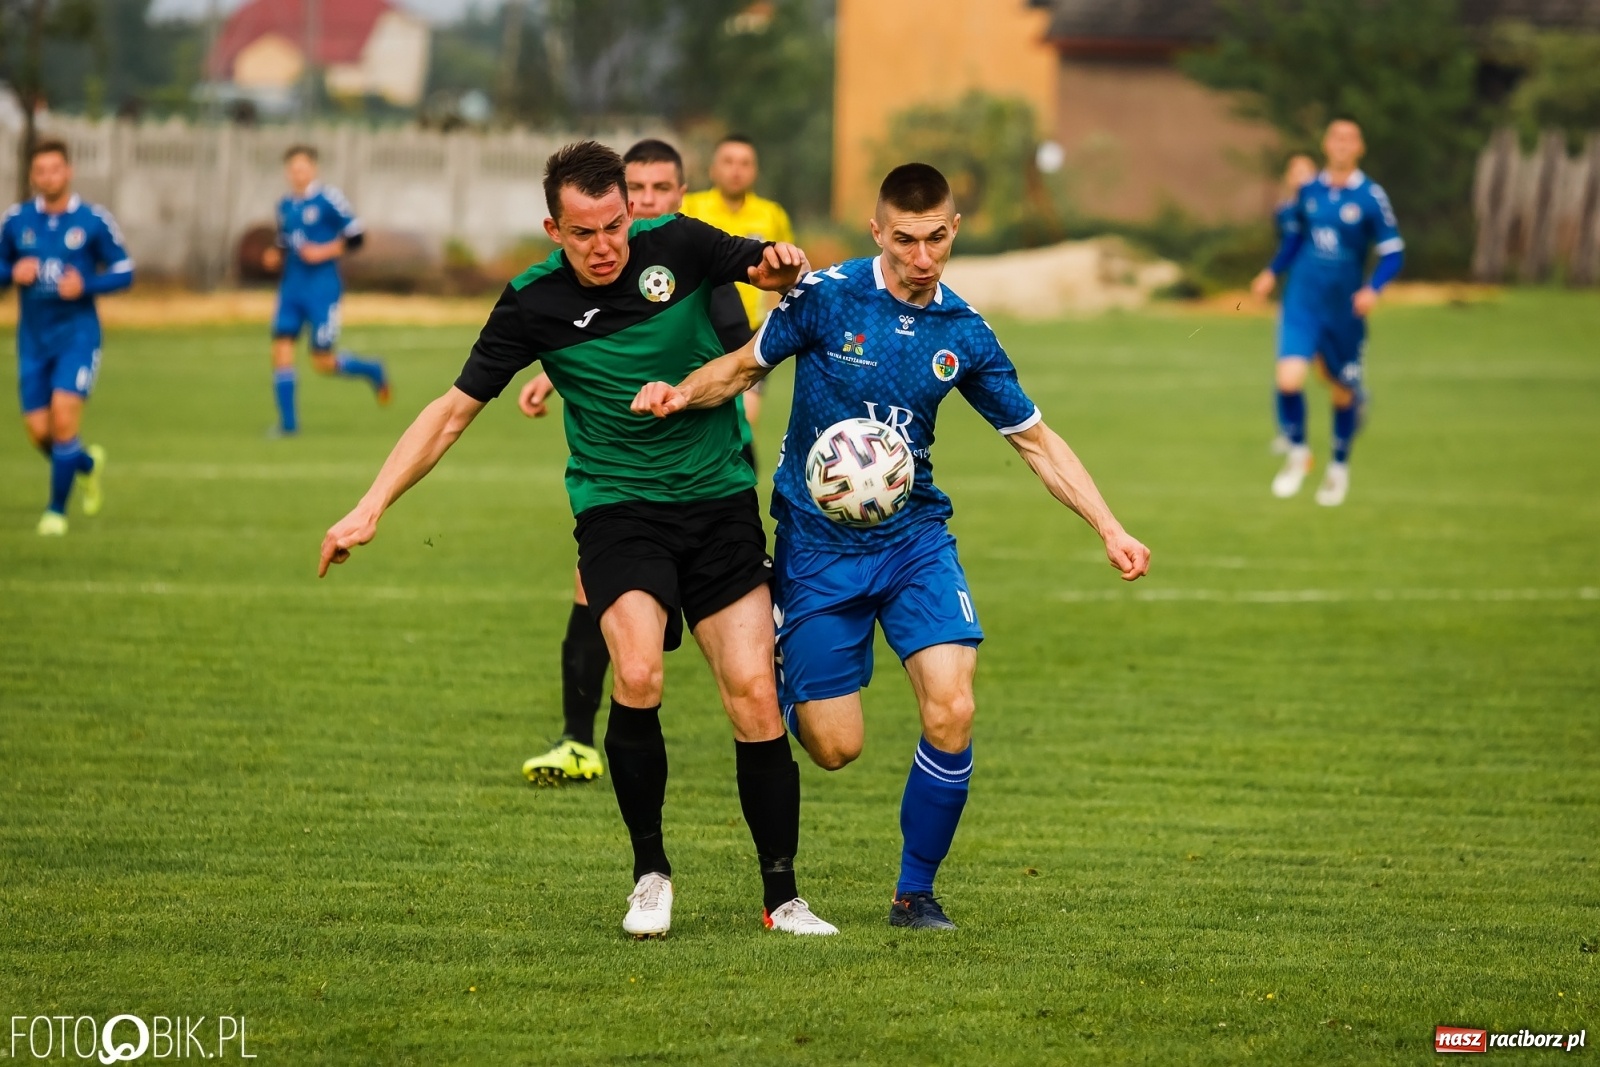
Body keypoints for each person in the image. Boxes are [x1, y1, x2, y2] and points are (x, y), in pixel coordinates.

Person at [319, 141, 836, 939]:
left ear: (632, 212)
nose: (604, 246)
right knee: (638, 671)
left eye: (615, 226)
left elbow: (767, 268)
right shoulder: (533, 302)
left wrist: (782, 262)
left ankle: (783, 898)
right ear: (553, 229)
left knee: (753, 693)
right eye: (584, 232)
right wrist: (370, 506)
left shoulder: (680, 243)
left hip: (718, 502)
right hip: (619, 510)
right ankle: (650, 874)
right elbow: (452, 412)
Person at [631, 162, 1151, 930]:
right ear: (877, 231)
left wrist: (1109, 525)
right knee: (835, 747)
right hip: (817, 546)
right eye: (905, 239)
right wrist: (680, 394)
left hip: (914, 541)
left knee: (954, 705)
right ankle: (787, 655)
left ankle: (915, 893)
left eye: (936, 237)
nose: (922, 255)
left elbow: (1035, 440)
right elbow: (742, 367)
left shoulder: (963, 332)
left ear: (954, 231)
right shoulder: (826, 297)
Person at [517, 138, 762, 787]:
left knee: (736, 637)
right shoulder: (599, 271)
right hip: (625, 478)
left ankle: (768, 651)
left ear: (679, 196)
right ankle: (577, 737)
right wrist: (554, 374)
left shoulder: (691, 265)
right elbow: (599, 339)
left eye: (659, 190)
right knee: (592, 583)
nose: (648, 201)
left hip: (712, 463)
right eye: (640, 189)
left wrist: (695, 400)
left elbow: (744, 364)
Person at [1252, 120, 1404, 506]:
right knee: (1288, 380)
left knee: (1340, 391)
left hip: (1343, 310)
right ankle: (1299, 453)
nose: (1342, 145)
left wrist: (1373, 289)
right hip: (1302, 301)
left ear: (1360, 147)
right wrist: (1272, 272)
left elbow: (1393, 252)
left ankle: (1338, 467)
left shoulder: (1371, 197)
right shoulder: (1309, 192)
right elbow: (1295, 239)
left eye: (1349, 139)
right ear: (1325, 144)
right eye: (1336, 138)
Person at [0, 138, 133, 536]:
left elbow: (125, 271)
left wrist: (86, 285)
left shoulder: (93, 220)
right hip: (33, 341)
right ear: (32, 176)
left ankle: (55, 511)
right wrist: (11, 273)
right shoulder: (16, 221)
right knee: (39, 432)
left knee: (63, 419)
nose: (48, 177)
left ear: (68, 171)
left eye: (55, 169)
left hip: (78, 336)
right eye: (40, 171)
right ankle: (86, 465)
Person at [262, 145, 389, 436]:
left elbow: (357, 236)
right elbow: (285, 241)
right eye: (293, 169)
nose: (298, 174)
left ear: (313, 169)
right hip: (291, 289)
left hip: (322, 290)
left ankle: (372, 369)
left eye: (303, 168)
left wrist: (324, 251)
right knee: (281, 349)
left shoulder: (329, 199)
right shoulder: (285, 205)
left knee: (322, 362)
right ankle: (288, 425)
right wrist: (274, 254)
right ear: (287, 172)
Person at [680, 134, 796, 432]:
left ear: (755, 171)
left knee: (742, 425)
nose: (736, 170)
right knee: (693, 419)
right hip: (700, 331)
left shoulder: (772, 214)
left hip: (749, 336)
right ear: (712, 169)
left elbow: (788, 275)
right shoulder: (690, 207)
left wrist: (773, 321)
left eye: (745, 163)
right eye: (728, 162)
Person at [1269, 153, 1319, 457]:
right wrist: (1272, 274)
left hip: (1328, 300)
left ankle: (1354, 397)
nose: (1299, 177)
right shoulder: (1283, 212)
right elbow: (1287, 248)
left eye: (1306, 172)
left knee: (1330, 371)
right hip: (1296, 298)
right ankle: (1289, 433)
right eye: (1295, 172)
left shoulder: (1326, 209)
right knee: (1285, 370)